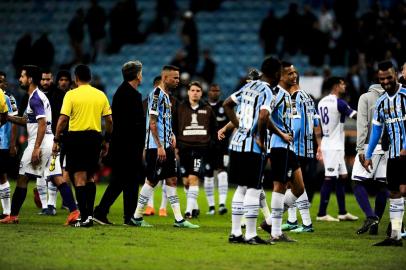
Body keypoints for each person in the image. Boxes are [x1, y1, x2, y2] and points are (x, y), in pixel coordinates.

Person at [0, 65, 79, 225]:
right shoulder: (37, 97)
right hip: (48, 142)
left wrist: (36, 148)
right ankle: (74, 211)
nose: (19, 79)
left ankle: (12, 215)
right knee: (57, 177)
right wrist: (7, 117)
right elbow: (26, 120)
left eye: (22, 76)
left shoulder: (35, 98)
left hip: (40, 143)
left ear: (29, 79)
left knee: (22, 178)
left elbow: (42, 124)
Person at [224, 57, 288, 244]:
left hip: (236, 143)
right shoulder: (267, 91)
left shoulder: (248, 86)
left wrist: (239, 126)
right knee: (253, 188)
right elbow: (263, 115)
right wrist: (260, 138)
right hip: (251, 147)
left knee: (241, 188)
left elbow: (227, 103)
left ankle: (235, 233)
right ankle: (251, 234)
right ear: (276, 74)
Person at [127, 65, 198, 228]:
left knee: (172, 180)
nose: (178, 81)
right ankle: (136, 217)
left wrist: (171, 135)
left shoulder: (167, 96)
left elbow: (162, 122)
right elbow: (152, 123)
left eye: (178, 77)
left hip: (166, 146)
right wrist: (159, 146)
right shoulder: (157, 95)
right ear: (165, 78)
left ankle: (179, 219)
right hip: (156, 147)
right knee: (151, 181)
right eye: (175, 78)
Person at [52, 64, 112, 227]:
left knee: (78, 177)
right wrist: (106, 140)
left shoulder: (71, 95)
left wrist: (56, 139)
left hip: (76, 138)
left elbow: (63, 119)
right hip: (94, 138)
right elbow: (109, 120)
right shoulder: (100, 95)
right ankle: (89, 216)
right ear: (90, 78)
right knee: (90, 176)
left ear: (76, 78)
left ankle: (85, 217)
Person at [259, 62, 309, 242]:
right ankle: (276, 232)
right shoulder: (277, 94)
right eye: (289, 74)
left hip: (289, 148)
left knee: (299, 187)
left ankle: (270, 222)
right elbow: (264, 116)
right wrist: (280, 133)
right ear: (281, 76)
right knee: (279, 187)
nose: (294, 76)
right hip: (279, 146)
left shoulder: (288, 95)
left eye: (295, 73)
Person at [93, 61, 145, 225]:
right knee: (128, 181)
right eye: (141, 72)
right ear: (137, 75)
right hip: (128, 146)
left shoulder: (121, 92)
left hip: (123, 145)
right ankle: (125, 216)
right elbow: (133, 124)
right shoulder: (131, 95)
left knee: (123, 181)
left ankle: (109, 213)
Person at [363, 60, 406, 246]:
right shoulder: (380, 102)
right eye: (382, 79)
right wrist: (368, 154)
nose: (386, 81)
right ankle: (395, 235)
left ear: (396, 74)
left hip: (405, 152)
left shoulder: (405, 95)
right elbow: (376, 131)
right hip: (394, 155)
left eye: (389, 77)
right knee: (395, 193)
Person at [279, 66, 319, 233]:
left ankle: (307, 223)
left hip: (297, 147)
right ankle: (292, 220)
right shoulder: (308, 97)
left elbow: (295, 126)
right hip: (308, 147)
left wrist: (284, 136)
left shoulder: (294, 98)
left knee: (296, 185)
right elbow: (316, 123)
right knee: (292, 184)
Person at [316, 77, 359, 222]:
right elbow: (355, 116)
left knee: (342, 177)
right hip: (334, 146)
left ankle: (342, 212)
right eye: (342, 83)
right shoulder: (339, 102)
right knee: (329, 178)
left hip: (330, 142)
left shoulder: (322, 101)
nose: (344, 85)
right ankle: (322, 213)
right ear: (336, 86)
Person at [174, 81, 217, 219]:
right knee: (186, 182)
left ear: (201, 93)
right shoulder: (180, 108)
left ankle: (188, 212)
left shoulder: (208, 109)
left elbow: (214, 129)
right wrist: (175, 147)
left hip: (199, 149)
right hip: (183, 149)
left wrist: (210, 145)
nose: (195, 93)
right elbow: (174, 128)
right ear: (188, 92)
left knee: (193, 178)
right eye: (192, 90)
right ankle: (195, 207)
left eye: (198, 90)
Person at [352, 83, 389, 235]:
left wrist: (360, 148)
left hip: (370, 145)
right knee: (382, 185)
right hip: (388, 148)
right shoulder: (390, 97)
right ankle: (375, 226)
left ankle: (370, 216)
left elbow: (362, 124)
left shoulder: (365, 97)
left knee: (356, 181)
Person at [204, 83, 229, 215]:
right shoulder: (203, 107)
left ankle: (222, 204)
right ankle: (211, 207)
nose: (215, 93)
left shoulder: (224, 106)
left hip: (222, 147)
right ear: (208, 92)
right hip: (206, 146)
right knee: (208, 175)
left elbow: (233, 124)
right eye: (213, 90)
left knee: (223, 173)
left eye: (217, 90)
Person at [0, 72, 18, 218]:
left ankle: (6, 211)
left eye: (2, 82)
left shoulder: (7, 98)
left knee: (2, 175)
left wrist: (12, 143)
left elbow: (13, 121)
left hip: (2, 142)